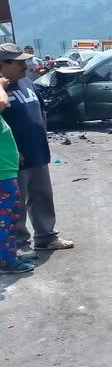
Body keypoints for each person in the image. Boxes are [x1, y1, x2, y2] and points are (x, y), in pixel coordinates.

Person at [0, 43, 74, 258]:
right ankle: (20, 244)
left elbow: (39, 110)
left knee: (42, 195)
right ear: (3, 64)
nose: (26, 65)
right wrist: (15, 150)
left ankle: (46, 237)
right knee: (16, 203)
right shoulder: (1, 91)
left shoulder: (26, 83)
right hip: (14, 157)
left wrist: (42, 135)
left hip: (37, 150)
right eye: (19, 62)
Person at [0, 73, 33, 275]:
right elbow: (2, 101)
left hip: (6, 174)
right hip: (1, 177)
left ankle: (9, 255)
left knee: (10, 218)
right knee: (3, 221)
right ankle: (6, 262)